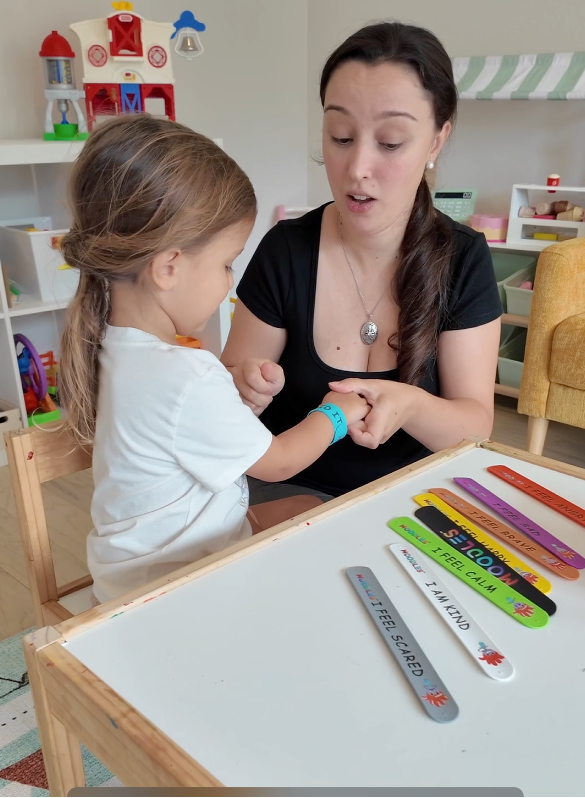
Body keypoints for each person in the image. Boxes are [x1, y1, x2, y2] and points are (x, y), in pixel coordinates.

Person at [58, 115, 369, 604]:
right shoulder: (186, 373)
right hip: (176, 589)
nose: (230, 281)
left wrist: (232, 393)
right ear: (168, 267)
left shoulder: (109, 345)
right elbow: (278, 463)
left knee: (305, 507)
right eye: (226, 263)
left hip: (131, 575)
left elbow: (179, 429)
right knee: (322, 543)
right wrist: (336, 414)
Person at [221, 20, 503, 504]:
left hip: (410, 500)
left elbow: (475, 427)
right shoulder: (286, 250)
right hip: (283, 495)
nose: (357, 169)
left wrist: (411, 406)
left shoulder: (463, 258)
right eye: (341, 136)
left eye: (390, 142)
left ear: (436, 141)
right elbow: (230, 393)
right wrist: (243, 387)